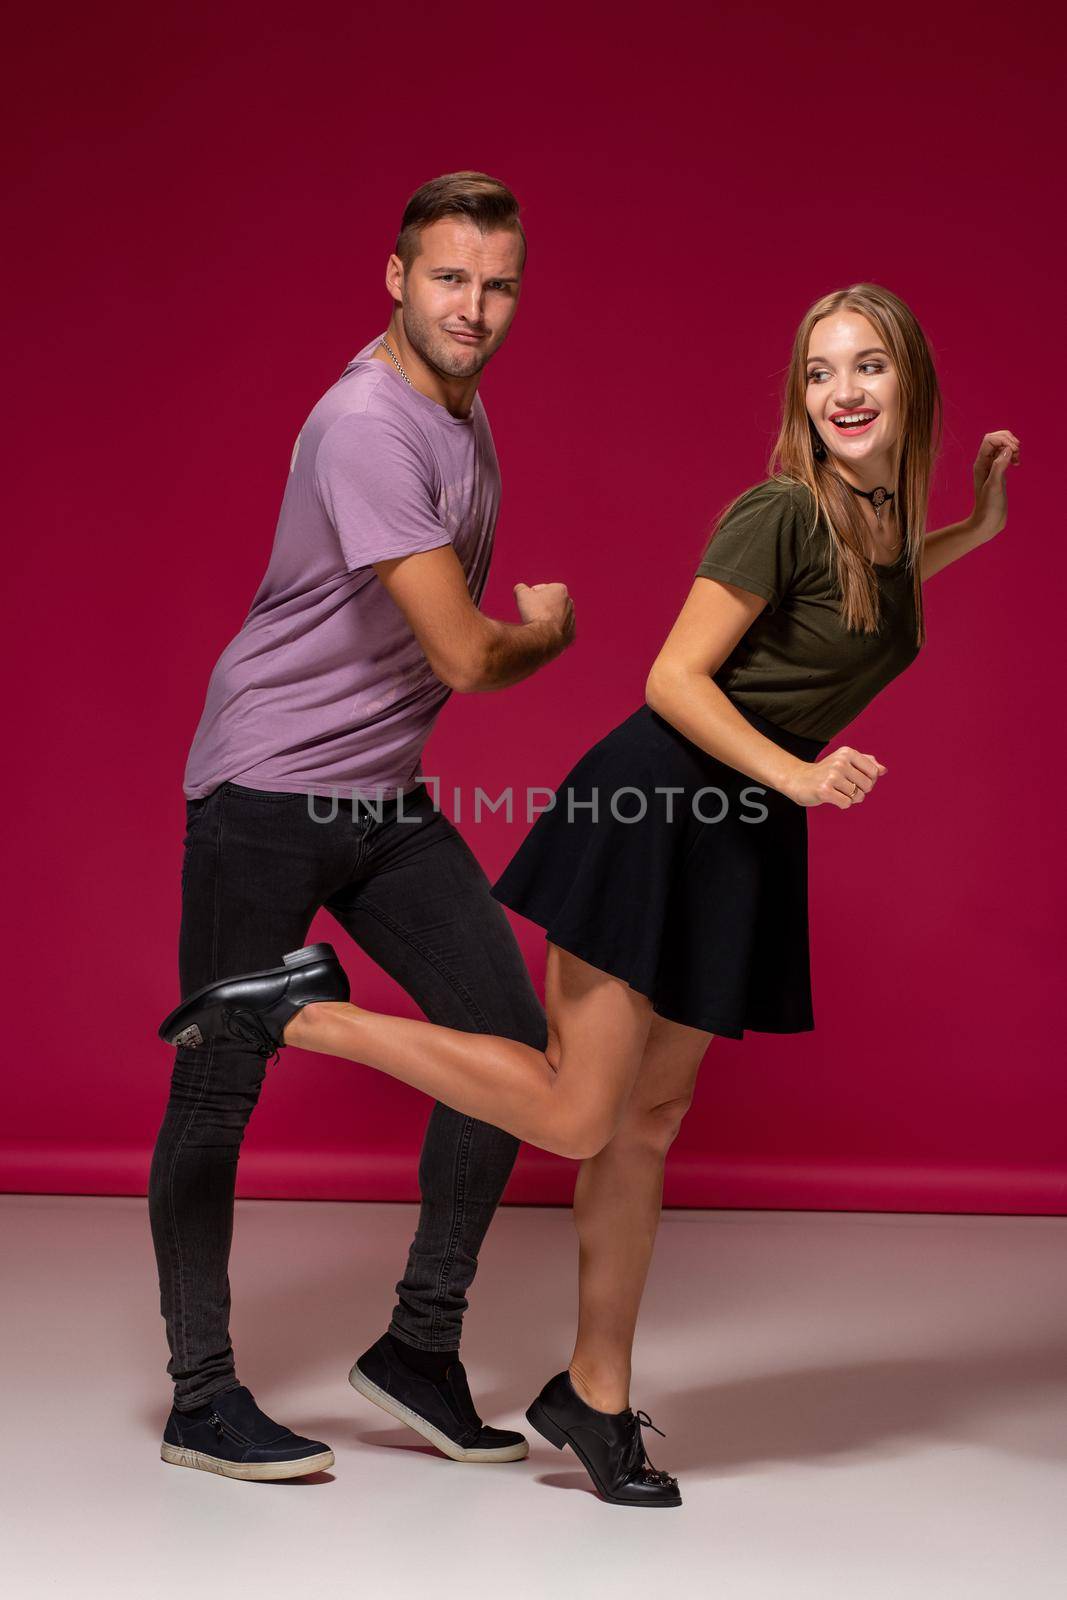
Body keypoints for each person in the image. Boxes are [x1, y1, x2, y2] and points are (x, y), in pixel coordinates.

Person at [160, 283, 1020, 1505]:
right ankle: (297, 1012)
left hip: (737, 831)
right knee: (574, 1114)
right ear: (798, 394)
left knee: (647, 1129)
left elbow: (871, 604)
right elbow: (675, 677)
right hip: (661, 807)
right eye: (820, 371)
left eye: (867, 366)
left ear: (908, 384)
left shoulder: (871, 526)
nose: (842, 392)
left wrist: (971, 526)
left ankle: (596, 1397)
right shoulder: (779, 509)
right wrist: (798, 774)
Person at [149, 170, 579, 1482]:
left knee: (504, 1043)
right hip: (266, 792)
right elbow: (460, 655)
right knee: (218, 1086)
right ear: (394, 279)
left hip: (378, 802)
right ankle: (200, 1399)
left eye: (495, 283)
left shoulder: (456, 399)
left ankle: (416, 1352)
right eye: (447, 279)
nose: (473, 308)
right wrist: (543, 635)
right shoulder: (365, 427)